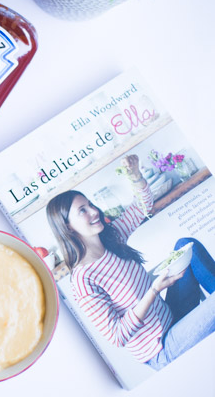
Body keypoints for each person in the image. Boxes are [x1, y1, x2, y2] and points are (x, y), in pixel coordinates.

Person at [46, 154, 215, 370]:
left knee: (186, 243)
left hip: (170, 315)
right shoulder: (83, 280)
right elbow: (118, 336)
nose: (94, 211)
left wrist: (135, 175)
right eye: (83, 211)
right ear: (68, 227)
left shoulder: (112, 237)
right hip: (162, 348)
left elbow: (143, 205)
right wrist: (153, 290)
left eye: (90, 205)